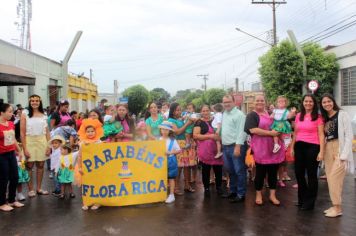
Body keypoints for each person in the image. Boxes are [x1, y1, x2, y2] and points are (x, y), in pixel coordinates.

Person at [244, 95, 284, 206]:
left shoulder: (269, 114)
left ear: (265, 102)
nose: (260, 102)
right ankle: (258, 194)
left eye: (262, 100)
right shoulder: (252, 115)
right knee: (260, 173)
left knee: (273, 172)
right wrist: (271, 133)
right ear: (254, 102)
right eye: (258, 100)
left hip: (273, 147)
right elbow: (253, 129)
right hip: (260, 147)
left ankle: (272, 195)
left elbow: (277, 125)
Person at [320, 93, 355, 217]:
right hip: (328, 148)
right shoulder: (325, 118)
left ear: (333, 101)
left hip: (339, 148)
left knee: (335, 177)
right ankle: (335, 206)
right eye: (324, 102)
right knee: (330, 179)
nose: (327, 104)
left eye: (329, 101)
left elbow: (349, 135)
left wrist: (344, 155)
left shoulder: (342, 114)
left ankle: (338, 208)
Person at [290, 94, 325, 211]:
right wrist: (291, 147)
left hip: (313, 147)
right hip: (299, 146)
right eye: (306, 101)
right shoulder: (298, 116)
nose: (308, 103)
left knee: (311, 175)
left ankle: (309, 202)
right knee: (299, 173)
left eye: (310, 101)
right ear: (303, 102)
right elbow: (295, 133)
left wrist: (321, 151)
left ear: (314, 103)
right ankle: (302, 199)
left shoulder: (318, 117)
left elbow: (321, 135)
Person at [20, 95, 50, 197]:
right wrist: (24, 148)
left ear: (40, 102)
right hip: (29, 140)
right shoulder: (25, 113)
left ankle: (39, 188)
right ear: (29, 101)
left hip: (42, 141)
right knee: (29, 166)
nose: (34, 102)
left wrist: (48, 146)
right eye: (32, 101)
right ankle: (30, 189)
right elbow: (22, 133)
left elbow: (47, 131)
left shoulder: (44, 114)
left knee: (41, 165)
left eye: (36, 101)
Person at [221, 94, 247, 203]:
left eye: (228, 102)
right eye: (224, 102)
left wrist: (238, 147)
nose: (226, 104)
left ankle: (241, 194)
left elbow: (242, 132)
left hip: (236, 146)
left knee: (239, 171)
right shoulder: (224, 114)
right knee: (231, 171)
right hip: (226, 146)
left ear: (234, 102)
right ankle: (233, 191)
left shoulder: (239, 115)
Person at [193, 105, 223, 197]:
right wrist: (210, 136)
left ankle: (219, 188)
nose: (205, 112)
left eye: (207, 110)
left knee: (218, 170)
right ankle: (206, 188)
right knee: (205, 170)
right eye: (203, 111)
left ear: (210, 111)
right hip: (205, 151)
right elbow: (195, 136)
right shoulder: (199, 122)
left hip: (217, 150)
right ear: (201, 112)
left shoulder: (216, 120)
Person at [0, 103, 25, 211]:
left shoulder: (11, 124)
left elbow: (13, 139)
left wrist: (19, 151)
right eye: (9, 111)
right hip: (1, 155)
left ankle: (12, 200)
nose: (12, 114)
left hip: (11, 153)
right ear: (2, 112)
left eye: (11, 111)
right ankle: (1, 203)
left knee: (15, 177)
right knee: (3, 179)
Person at [168, 102, 196, 194]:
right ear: (172, 111)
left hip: (186, 143)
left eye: (180, 109)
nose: (179, 111)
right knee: (179, 167)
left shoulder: (180, 119)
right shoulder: (171, 120)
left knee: (187, 166)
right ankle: (176, 187)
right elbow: (177, 132)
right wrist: (187, 124)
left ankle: (187, 185)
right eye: (177, 110)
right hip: (178, 144)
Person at [77, 118, 104, 210]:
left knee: (97, 184)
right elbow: (80, 156)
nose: (90, 133)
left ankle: (98, 202)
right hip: (86, 167)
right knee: (87, 185)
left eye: (92, 131)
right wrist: (80, 167)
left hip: (97, 167)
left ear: (96, 131)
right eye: (88, 131)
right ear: (85, 132)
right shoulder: (82, 143)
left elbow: (103, 154)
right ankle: (86, 202)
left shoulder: (99, 143)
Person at [159, 121, 180, 203]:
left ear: (169, 131)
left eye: (166, 130)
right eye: (163, 129)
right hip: (160, 161)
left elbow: (178, 150)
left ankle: (171, 195)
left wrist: (170, 152)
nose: (164, 131)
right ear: (160, 130)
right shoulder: (158, 140)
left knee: (171, 178)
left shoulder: (172, 140)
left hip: (171, 160)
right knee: (162, 177)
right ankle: (161, 194)